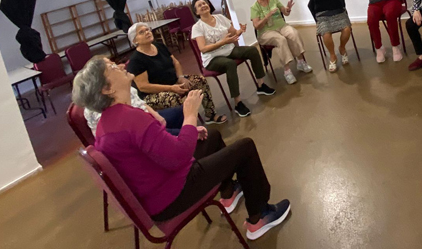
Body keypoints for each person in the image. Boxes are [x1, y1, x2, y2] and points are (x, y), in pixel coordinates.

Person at [72, 57, 291, 241]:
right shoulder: (131, 119)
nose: (120, 66)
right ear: (107, 89)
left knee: (212, 136)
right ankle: (259, 217)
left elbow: (156, 148)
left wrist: (190, 131)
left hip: (158, 186)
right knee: (245, 148)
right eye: (112, 67)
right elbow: (179, 156)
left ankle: (228, 192)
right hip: (172, 194)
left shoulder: (106, 123)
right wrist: (190, 116)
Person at [125, 22, 226, 125]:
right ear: (135, 40)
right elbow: (144, 87)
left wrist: (180, 77)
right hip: (152, 93)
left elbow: (176, 63)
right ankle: (188, 126)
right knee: (173, 98)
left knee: (200, 81)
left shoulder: (159, 46)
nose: (147, 32)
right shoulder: (136, 60)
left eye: (147, 30)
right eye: (141, 32)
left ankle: (210, 115)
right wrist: (171, 88)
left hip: (173, 82)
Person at [191, 0, 274, 118]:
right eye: (199, 5)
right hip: (212, 58)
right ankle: (238, 103)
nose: (203, 5)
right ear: (196, 12)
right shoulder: (197, 27)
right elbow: (203, 48)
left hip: (229, 50)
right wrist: (223, 42)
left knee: (252, 50)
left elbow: (234, 33)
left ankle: (261, 85)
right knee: (230, 64)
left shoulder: (220, 18)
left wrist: (241, 30)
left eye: (204, 3)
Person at [84, 58, 185, 136]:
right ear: (105, 88)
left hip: (148, 119)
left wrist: (156, 116)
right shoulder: (101, 108)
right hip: (144, 129)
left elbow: (141, 103)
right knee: (187, 132)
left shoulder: (124, 88)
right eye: (112, 67)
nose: (122, 66)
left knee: (183, 111)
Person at [250, 0, 313, 84]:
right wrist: (267, 16)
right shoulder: (254, 8)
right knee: (280, 39)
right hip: (266, 32)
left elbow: (285, 12)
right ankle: (287, 71)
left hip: (282, 26)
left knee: (294, 33)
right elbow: (256, 26)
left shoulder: (273, 0)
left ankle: (301, 62)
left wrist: (288, 9)